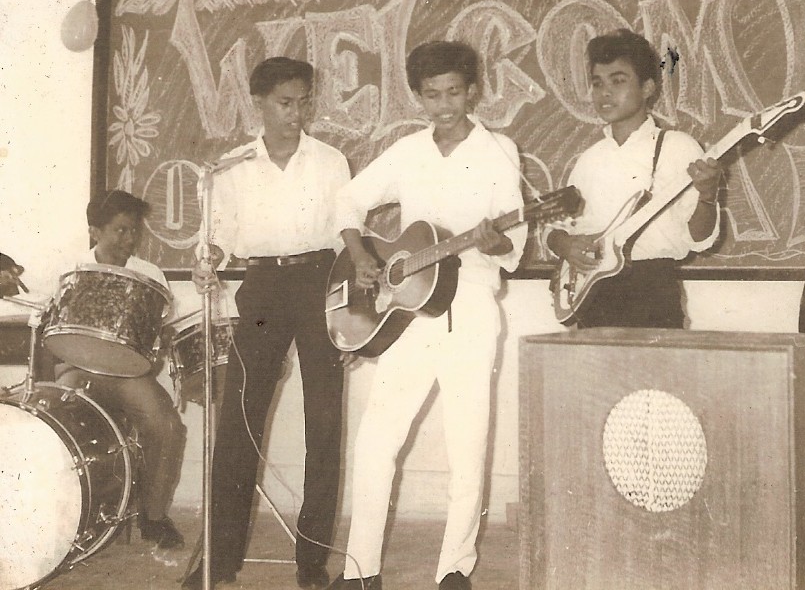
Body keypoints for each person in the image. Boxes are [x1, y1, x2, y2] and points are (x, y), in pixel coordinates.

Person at [331, 41, 527, 590]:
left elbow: (515, 245)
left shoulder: (499, 152)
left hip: (471, 309)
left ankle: (454, 570)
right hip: (408, 313)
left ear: (473, 91)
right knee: (376, 440)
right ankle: (359, 570)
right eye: (432, 94)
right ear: (418, 96)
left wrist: (493, 240)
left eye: (454, 93)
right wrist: (362, 256)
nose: (444, 105)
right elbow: (347, 202)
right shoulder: (407, 151)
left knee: (467, 444)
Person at [188, 57, 351, 590]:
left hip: (320, 282)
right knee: (238, 420)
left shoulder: (331, 161)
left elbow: (345, 235)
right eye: (285, 103)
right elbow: (217, 235)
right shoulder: (229, 168)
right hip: (262, 286)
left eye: (304, 102)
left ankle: (312, 562)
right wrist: (206, 261)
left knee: (323, 424)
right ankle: (218, 560)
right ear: (258, 103)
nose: (296, 113)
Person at [543, 28, 722, 329]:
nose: (605, 92)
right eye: (597, 83)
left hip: (653, 291)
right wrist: (564, 245)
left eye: (618, 81)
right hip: (592, 297)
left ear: (648, 87)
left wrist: (707, 196)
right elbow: (552, 227)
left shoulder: (679, 147)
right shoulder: (588, 159)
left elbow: (699, 239)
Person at [46, 190, 186, 550]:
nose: (129, 239)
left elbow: (159, 332)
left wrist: (160, 343)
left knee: (168, 426)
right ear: (95, 231)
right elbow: (51, 327)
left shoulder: (149, 274)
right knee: (56, 423)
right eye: (120, 230)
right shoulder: (71, 269)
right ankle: (64, 516)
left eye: (134, 230)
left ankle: (153, 516)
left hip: (127, 374)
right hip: (78, 367)